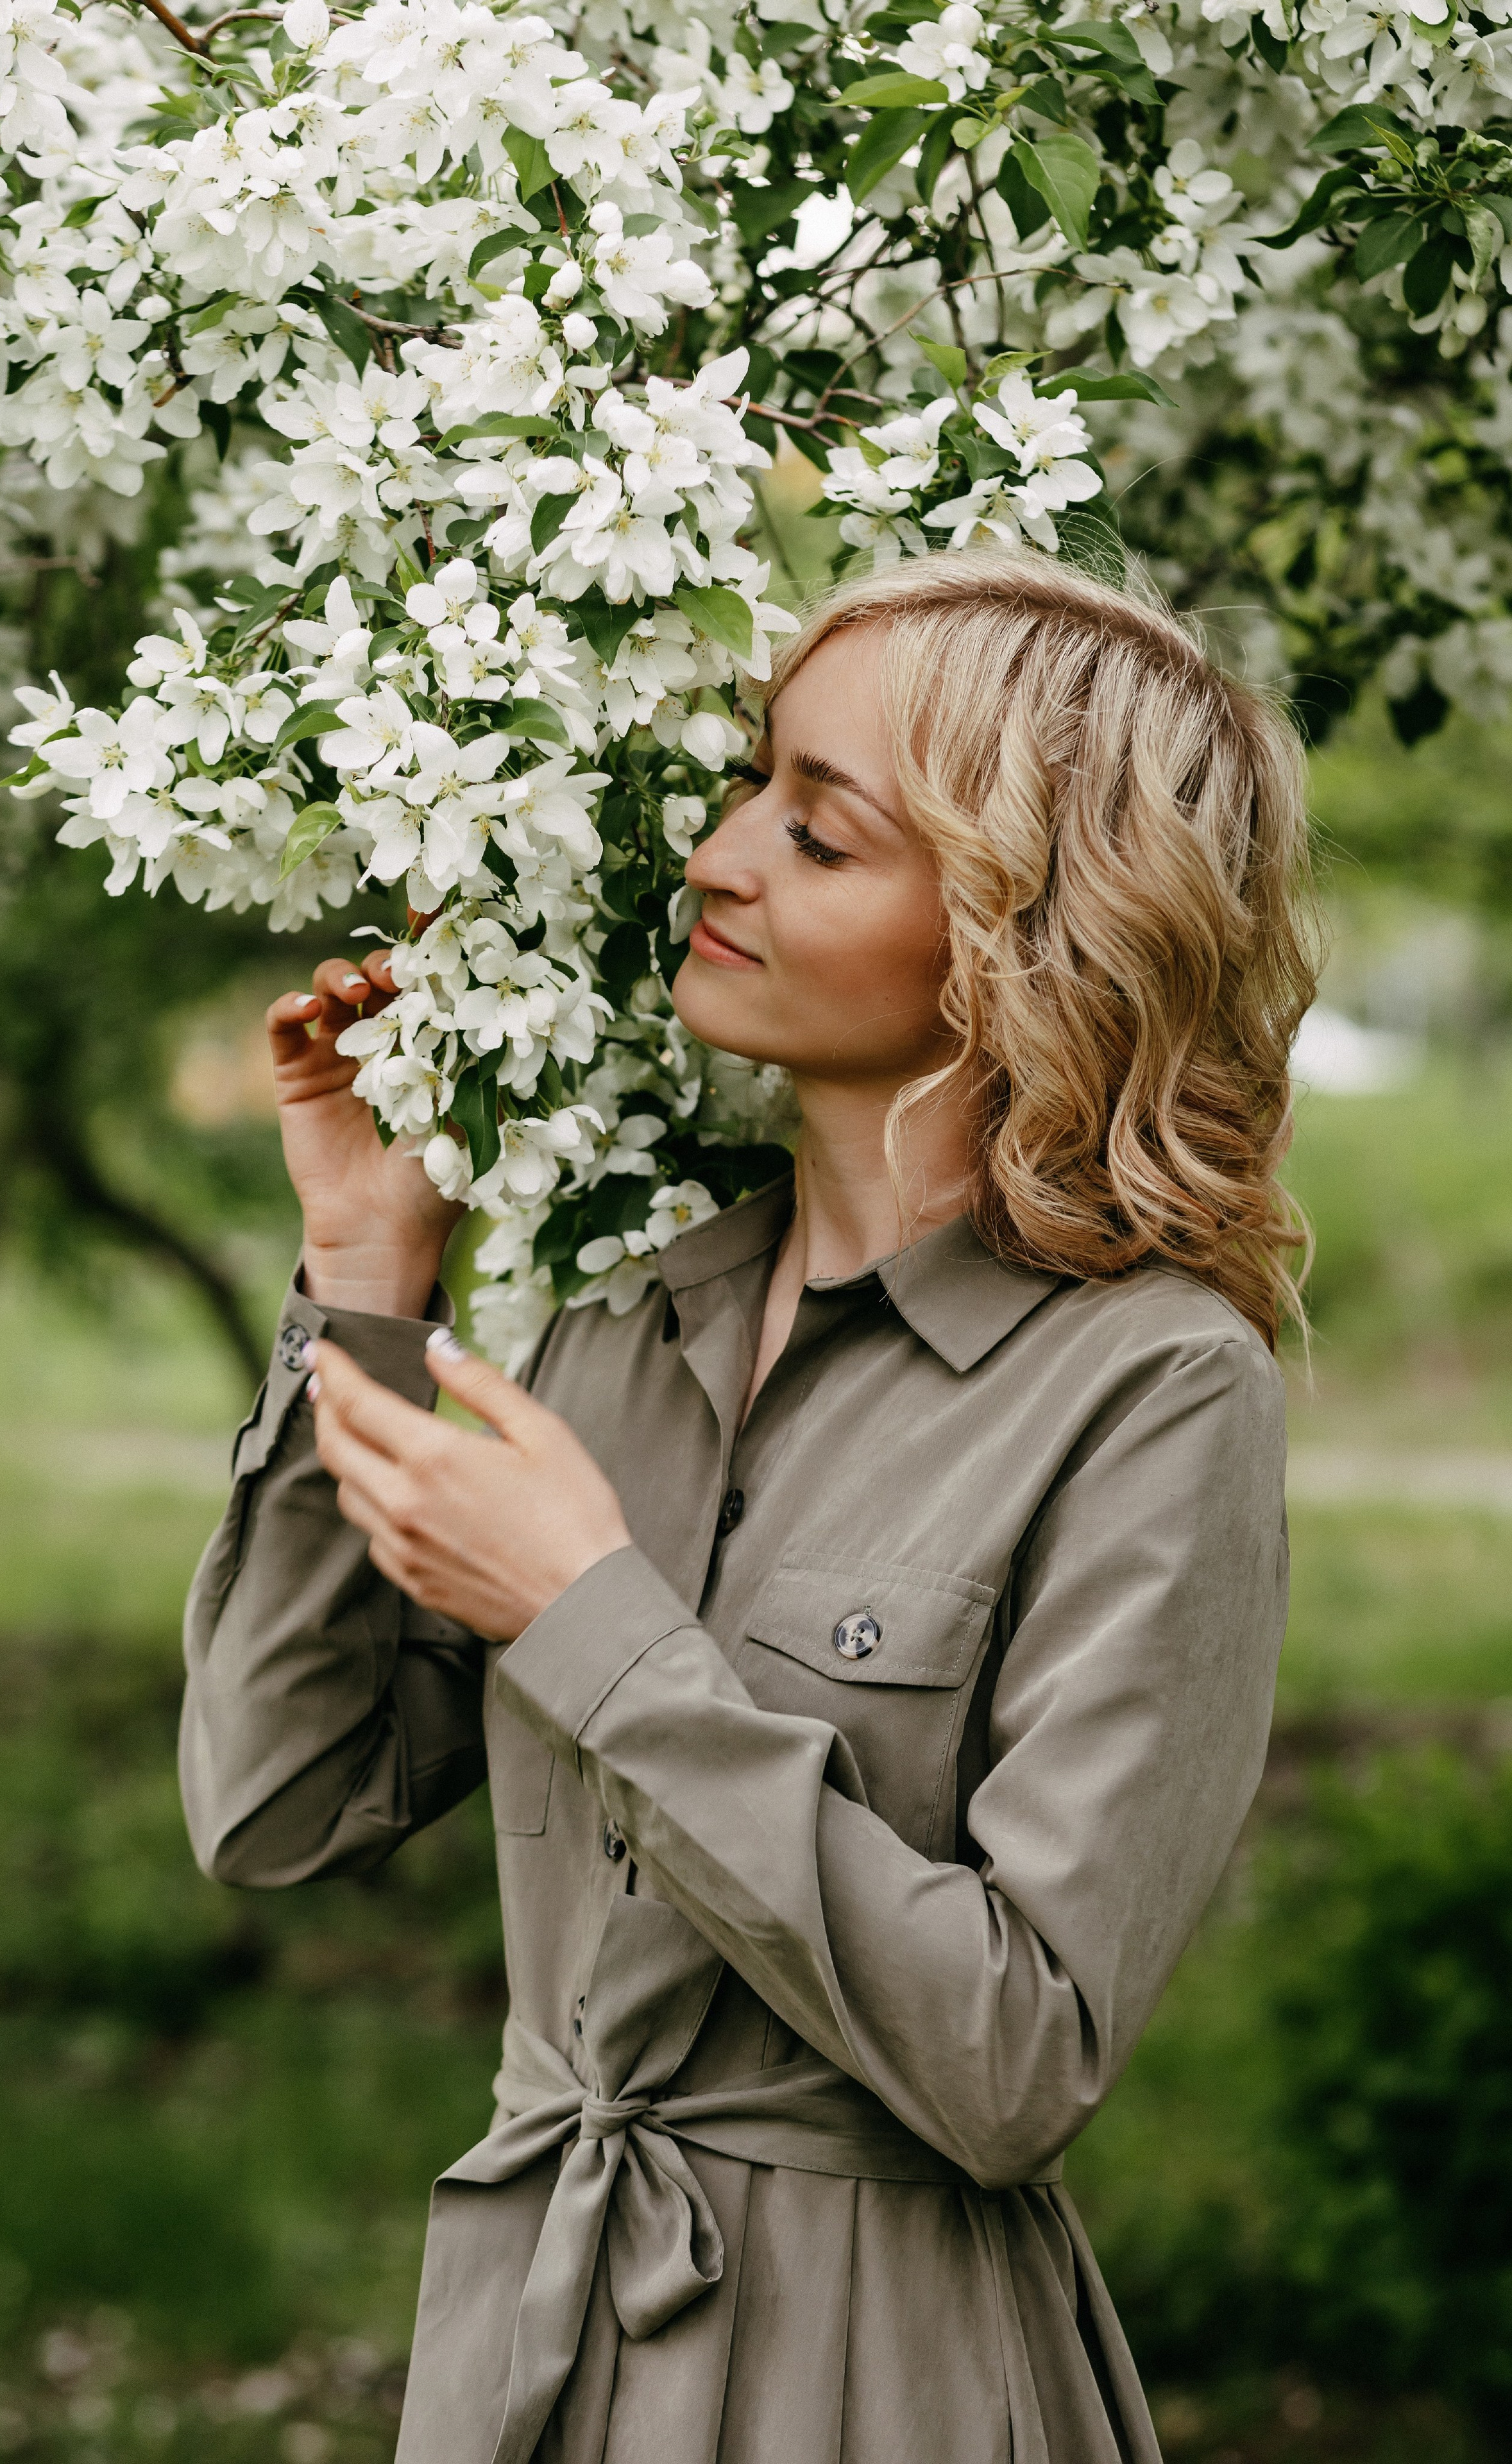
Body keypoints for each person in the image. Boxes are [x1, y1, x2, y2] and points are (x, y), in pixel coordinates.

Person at [179, 548, 1318, 2464]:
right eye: (745, 788)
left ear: (1028, 928)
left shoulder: (1154, 1389)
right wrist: (368, 1292)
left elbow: (1021, 2058)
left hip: (871, 2375)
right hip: (522, 2355)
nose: (714, 857)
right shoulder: (624, 1330)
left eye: (818, 831)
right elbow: (280, 1805)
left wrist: (593, 1621)